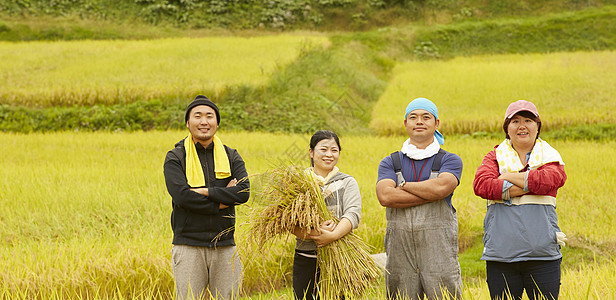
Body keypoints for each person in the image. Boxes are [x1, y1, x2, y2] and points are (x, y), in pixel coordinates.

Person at [473, 100, 567, 300]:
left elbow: (551, 179)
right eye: (515, 121)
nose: (522, 125)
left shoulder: (550, 156)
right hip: (501, 254)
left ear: (537, 126)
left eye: (528, 120)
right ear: (507, 128)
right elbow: (482, 185)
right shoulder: (494, 157)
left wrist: (506, 177)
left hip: (543, 255)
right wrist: (530, 184)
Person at [163, 95, 250, 300]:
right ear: (188, 122)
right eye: (198, 116)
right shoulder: (176, 157)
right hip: (188, 245)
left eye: (209, 116)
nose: (204, 121)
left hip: (225, 245)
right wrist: (222, 202)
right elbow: (183, 197)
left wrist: (205, 191)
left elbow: (243, 192)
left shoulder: (231, 156)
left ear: (217, 123)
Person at [376, 98, 463, 300]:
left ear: (436, 123)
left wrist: (404, 186)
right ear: (405, 123)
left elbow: (442, 187)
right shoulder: (391, 161)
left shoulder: (449, 160)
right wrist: (430, 193)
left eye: (426, 117)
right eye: (413, 117)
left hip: (439, 253)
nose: (419, 121)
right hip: (400, 253)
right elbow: (386, 196)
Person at [291, 130, 362, 300]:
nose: (329, 154)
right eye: (323, 149)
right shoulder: (298, 182)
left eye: (334, 150)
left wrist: (332, 235)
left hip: (341, 260)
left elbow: (353, 214)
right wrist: (314, 234)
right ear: (311, 152)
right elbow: (289, 221)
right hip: (305, 258)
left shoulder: (347, 182)